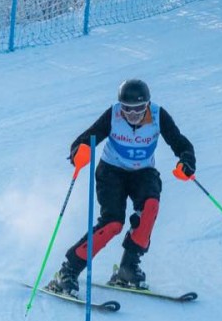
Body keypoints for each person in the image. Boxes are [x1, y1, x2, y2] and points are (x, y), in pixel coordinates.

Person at [46, 79, 196, 296]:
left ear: (147, 104)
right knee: (112, 223)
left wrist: (187, 161)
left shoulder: (158, 115)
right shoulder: (114, 115)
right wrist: (80, 151)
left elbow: (180, 142)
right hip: (111, 172)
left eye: (139, 108)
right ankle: (68, 271)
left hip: (143, 172)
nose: (132, 114)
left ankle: (128, 267)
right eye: (127, 109)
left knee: (150, 207)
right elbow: (87, 137)